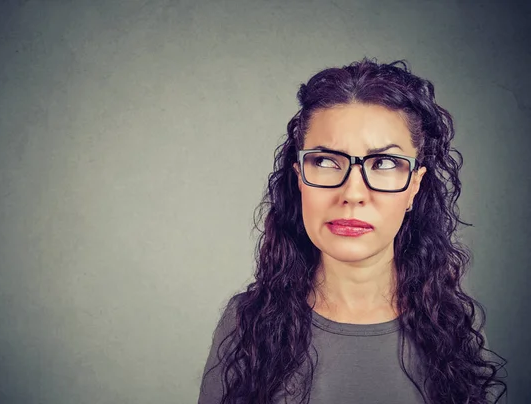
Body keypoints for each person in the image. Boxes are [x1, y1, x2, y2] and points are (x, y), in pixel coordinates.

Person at [197, 58, 508, 404]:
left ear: (414, 186)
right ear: (299, 176)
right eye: (327, 162)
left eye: (384, 163)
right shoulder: (246, 324)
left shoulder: (455, 324)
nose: (353, 194)